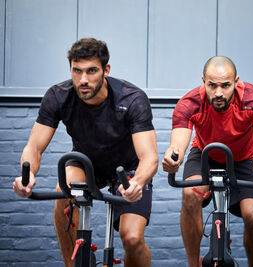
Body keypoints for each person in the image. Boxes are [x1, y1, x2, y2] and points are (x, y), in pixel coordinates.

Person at [12, 38, 158, 267]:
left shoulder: (132, 99)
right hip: (86, 163)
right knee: (63, 193)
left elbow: (149, 157)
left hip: (128, 170)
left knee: (132, 238)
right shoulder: (58, 96)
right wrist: (26, 175)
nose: (83, 80)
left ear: (105, 70)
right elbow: (34, 147)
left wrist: (138, 181)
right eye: (76, 71)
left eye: (91, 71)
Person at [162, 56, 253, 267]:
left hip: (245, 157)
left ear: (236, 81)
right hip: (206, 153)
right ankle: (193, 265)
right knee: (189, 195)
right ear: (203, 81)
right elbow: (177, 145)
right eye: (212, 85)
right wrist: (172, 158)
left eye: (225, 85)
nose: (219, 93)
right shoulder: (190, 103)